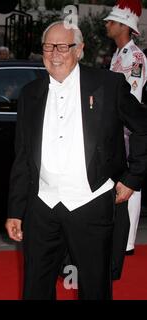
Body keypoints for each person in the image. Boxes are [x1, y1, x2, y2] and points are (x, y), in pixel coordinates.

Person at [6, 21, 147, 300]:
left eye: (62, 46)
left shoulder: (107, 85)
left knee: (94, 288)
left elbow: (143, 126)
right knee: (35, 287)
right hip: (42, 206)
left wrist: (133, 177)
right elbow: (22, 156)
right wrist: (16, 209)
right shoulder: (30, 94)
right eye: (48, 47)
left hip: (91, 202)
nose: (54, 53)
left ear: (80, 50)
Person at [104, 0, 147, 256]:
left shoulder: (137, 57)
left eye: (111, 22)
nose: (107, 26)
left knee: (131, 181)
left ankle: (128, 242)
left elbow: (133, 95)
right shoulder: (118, 55)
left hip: (129, 128)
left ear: (123, 26)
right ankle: (120, 234)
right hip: (115, 128)